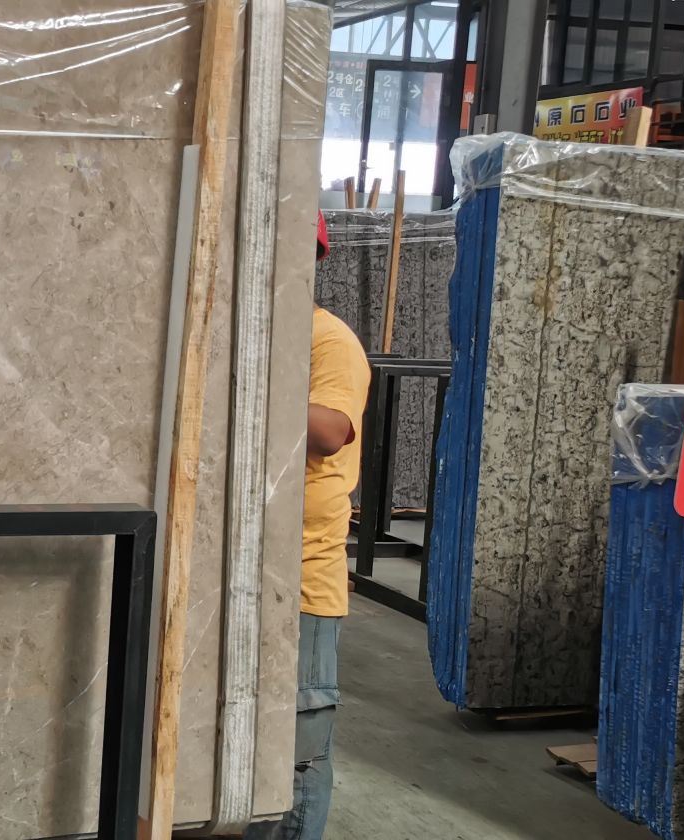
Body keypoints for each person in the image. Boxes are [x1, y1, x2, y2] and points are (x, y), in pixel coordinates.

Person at [248, 212, 370, 840]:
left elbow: (329, 429)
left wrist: (246, 383)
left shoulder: (329, 340)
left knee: (296, 749)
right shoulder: (265, 335)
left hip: (303, 578)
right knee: (252, 735)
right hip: (250, 565)